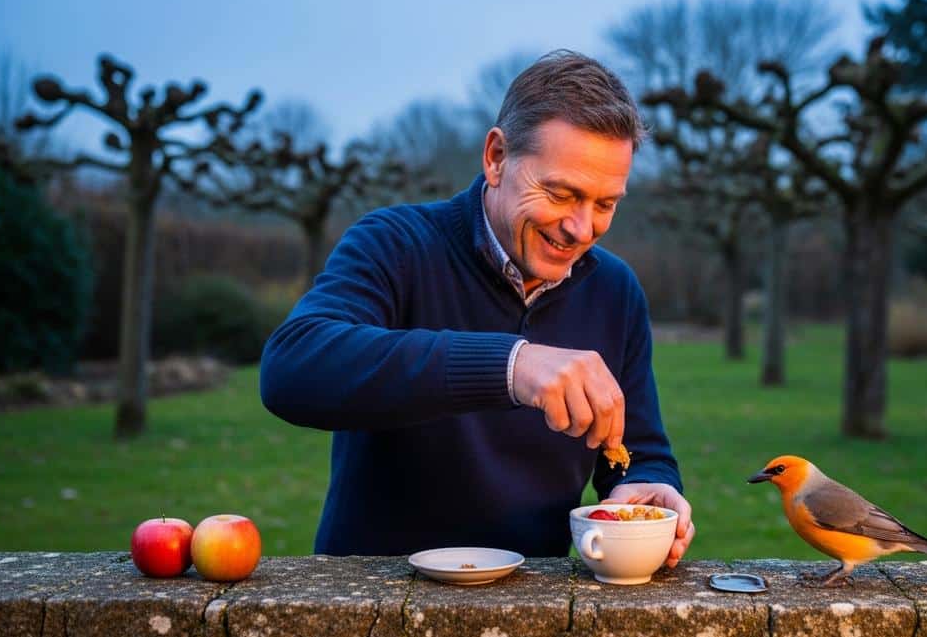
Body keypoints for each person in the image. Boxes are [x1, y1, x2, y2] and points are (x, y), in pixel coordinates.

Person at [260, 50, 694, 566]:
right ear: (496, 157)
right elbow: (292, 369)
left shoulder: (615, 291)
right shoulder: (395, 244)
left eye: (605, 204)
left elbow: (637, 450)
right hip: (373, 594)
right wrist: (511, 366)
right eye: (560, 194)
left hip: (531, 598)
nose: (581, 229)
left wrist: (648, 487)